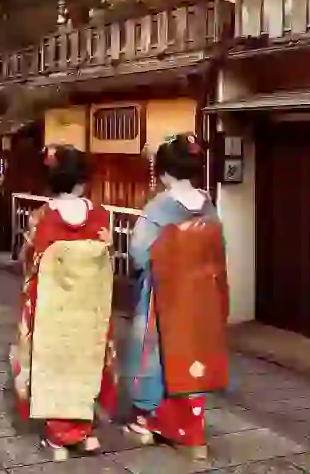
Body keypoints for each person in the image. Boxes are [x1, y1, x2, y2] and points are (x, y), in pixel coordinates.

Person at [123, 133, 230, 460]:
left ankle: (153, 419)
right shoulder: (208, 204)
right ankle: (192, 427)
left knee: (156, 354)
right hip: (202, 298)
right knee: (194, 352)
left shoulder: (160, 206)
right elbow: (218, 249)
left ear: (165, 171)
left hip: (166, 296)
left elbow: (139, 254)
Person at [10, 144, 118, 461]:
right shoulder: (100, 215)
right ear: (83, 181)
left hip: (52, 308)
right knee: (86, 356)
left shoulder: (42, 217)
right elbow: (107, 257)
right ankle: (83, 430)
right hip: (89, 305)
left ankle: (59, 436)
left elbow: (29, 261)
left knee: (53, 360)